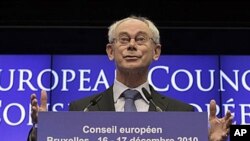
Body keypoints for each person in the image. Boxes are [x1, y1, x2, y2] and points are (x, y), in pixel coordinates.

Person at [28, 15, 233, 141]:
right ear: (110, 51)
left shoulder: (181, 113)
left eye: (141, 39)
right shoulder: (81, 110)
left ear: (156, 51)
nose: (132, 45)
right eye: (124, 39)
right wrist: (42, 130)